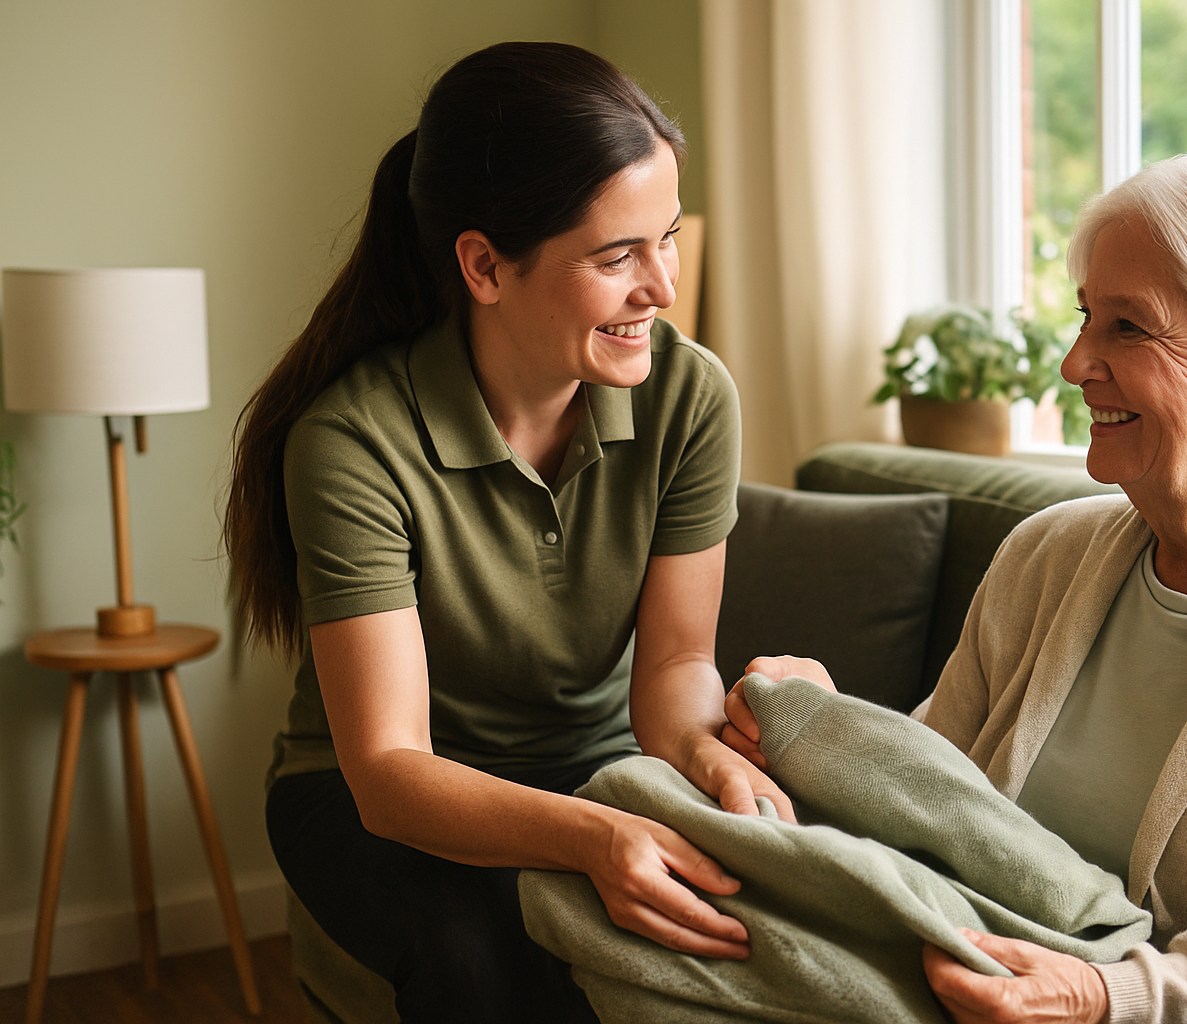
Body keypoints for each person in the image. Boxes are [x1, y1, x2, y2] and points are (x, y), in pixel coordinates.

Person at [724, 152, 1187, 1024]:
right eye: (1085, 319)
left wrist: (1098, 995)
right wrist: (825, 736)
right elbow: (936, 800)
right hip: (960, 966)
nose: (1075, 364)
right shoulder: (1044, 555)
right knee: (615, 858)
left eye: (1128, 328)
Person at [225, 42, 789, 1023]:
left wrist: (711, 761)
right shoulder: (352, 440)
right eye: (617, 255)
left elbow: (674, 666)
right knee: (481, 953)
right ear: (485, 265)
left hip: (596, 759)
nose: (660, 286)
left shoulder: (692, 397)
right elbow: (391, 772)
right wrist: (594, 838)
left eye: (669, 238)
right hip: (376, 795)